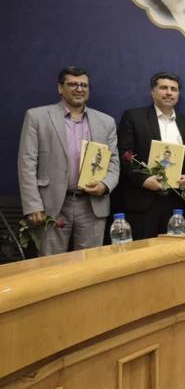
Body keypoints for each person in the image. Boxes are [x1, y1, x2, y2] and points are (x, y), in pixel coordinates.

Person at [18, 66, 119, 255]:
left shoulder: (106, 122)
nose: (79, 89)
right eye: (72, 84)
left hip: (92, 205)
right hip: (51, 205)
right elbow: (27, 164)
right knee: (50, 264)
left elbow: (114, 163)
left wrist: (105, 185)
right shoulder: (37, 117)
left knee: (90, 264)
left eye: (84, 85)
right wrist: (33, 205)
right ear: (60, 88)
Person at [117, 72, 185, 239]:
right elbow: (123, 154)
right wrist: (144, 180)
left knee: (175, 251)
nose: (169, 93)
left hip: (176, 203)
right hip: (143, 201)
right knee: (144, 251)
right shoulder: (134, 117)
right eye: (163, 88)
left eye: (173, 89)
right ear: (153, 92)